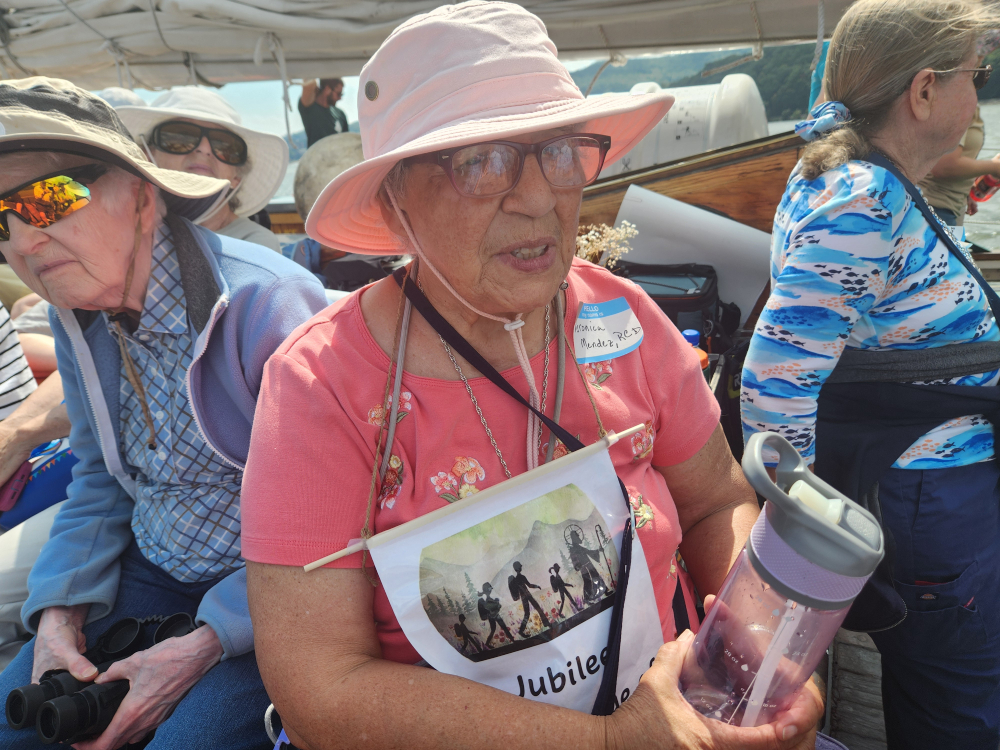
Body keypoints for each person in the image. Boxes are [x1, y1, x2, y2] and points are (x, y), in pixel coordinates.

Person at [240, 4, 823, 749]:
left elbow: (716, 503)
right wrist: (612, 743)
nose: (540, 197)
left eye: (559, 152)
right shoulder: (322, 385)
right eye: (482, 161)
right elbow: (318, 689)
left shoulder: (625, 318)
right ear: (396, 198)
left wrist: (761, 660)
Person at [0, 77, 327, 750]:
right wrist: (59, 611)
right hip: (151, 570)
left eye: (46, 198)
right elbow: (100, 476)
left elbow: (331, 521)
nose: (23, 241)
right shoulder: (75, 316)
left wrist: (207, 643)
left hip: (270, 588)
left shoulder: (267, 304)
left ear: (142, 198)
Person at [742, 1, 1000, 748]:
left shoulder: (866, 183)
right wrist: (805, 529)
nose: (977, 94)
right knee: (961, 710)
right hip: (931, 498)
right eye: (975, 76)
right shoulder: (862, 198)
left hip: (931, 490)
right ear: (923, 91)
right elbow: (775, 378)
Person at [118, 87, 288, 252]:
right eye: (182, 138)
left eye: (224, 146)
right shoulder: (123, 229)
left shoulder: (255, 244)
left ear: (237, 177)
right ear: (147, 156)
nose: (204, 149)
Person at [920, 31, 1000, 227]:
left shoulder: (958, 97)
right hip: (935, 209)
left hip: (946, 207)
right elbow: (944, 167)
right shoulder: (956, 99)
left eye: (983, 74)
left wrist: (965, 192)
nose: (979, 78)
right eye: (976, 74)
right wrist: (995, 167)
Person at [298, 78, 349, 147]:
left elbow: (346, 142)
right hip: (316, 154)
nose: (340, 98)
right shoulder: (310, 108)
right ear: (327, 89)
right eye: (339, 94)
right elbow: (309, 80)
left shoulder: (340, 114)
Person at [509, 561, 550, 637]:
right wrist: (537, 586)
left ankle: (545, 623)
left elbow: (528, 586)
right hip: (527, 596)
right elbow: (530, 585)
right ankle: (545, 623)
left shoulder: (516, 579)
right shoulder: (521, 577)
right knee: (533, 611)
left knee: (527, 614)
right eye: (520, 566)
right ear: (518, 568)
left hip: (524, 597)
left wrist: (536, 586)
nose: (521, 567)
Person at [477, 582, 514, 648]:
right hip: (493, 616)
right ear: (487, 590)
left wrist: (496, 603)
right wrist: (496, 603)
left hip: (494, 615)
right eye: (489, 589)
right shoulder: (485, 599)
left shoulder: (487, 598)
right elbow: (488, 606)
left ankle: (487, 644)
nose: (491, 590)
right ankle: (512, 640)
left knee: (497, 629)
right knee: (497, 629)